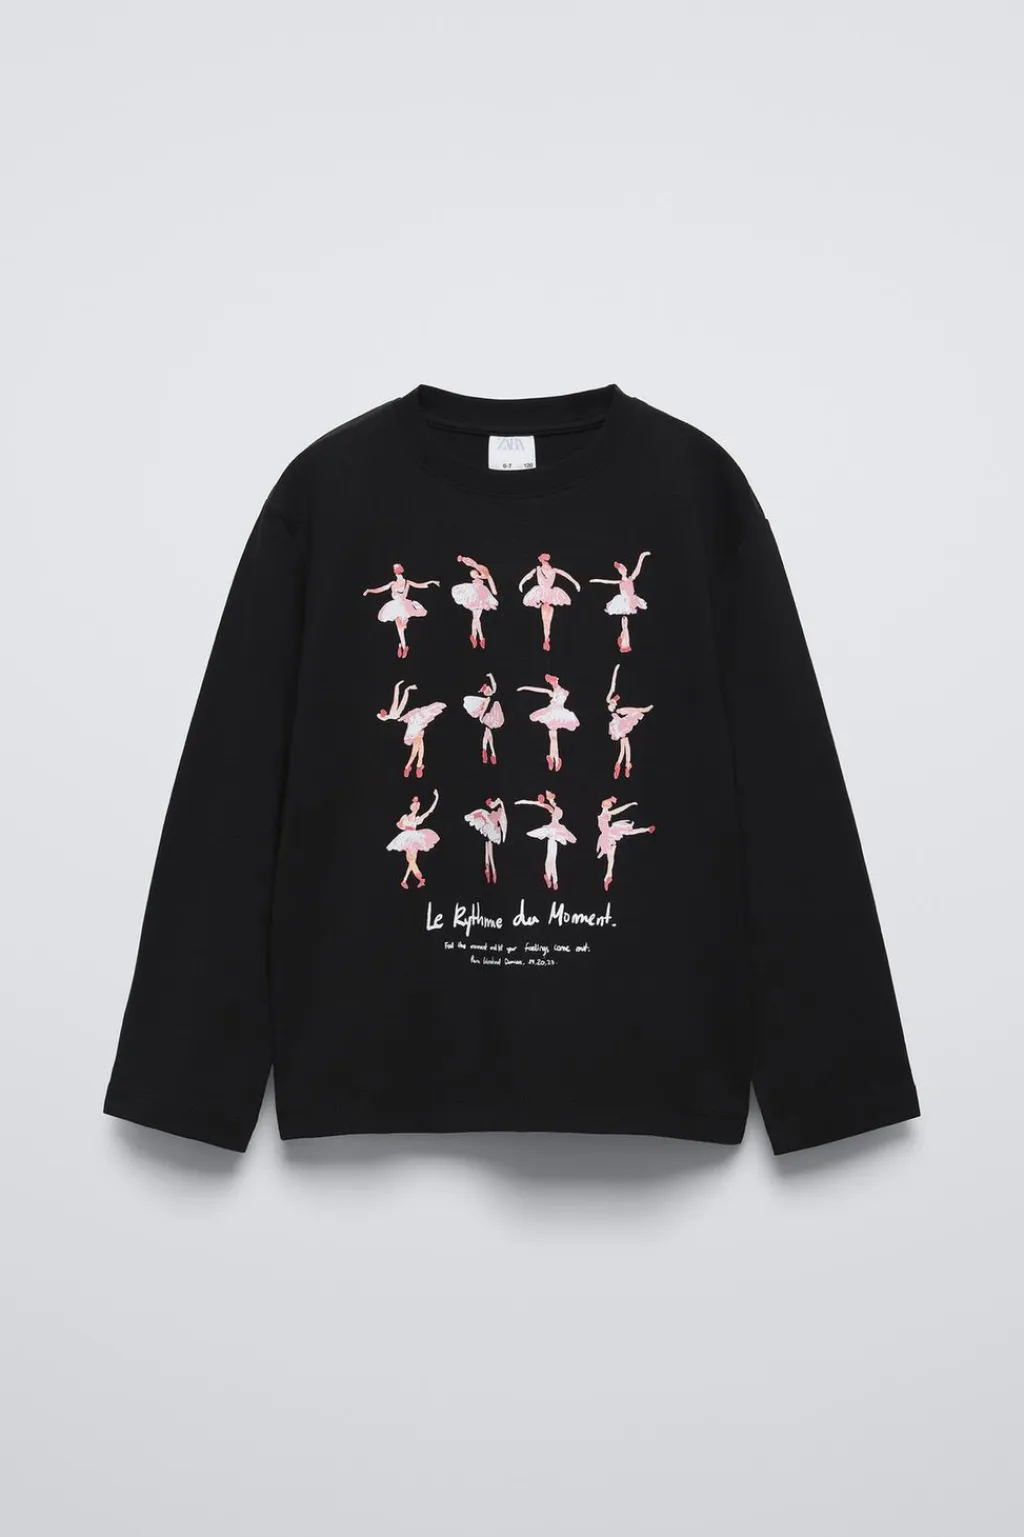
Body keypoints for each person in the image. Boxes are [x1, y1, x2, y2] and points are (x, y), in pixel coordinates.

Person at [363, 563, 440, 657]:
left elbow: (420, 585)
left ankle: (403, 646)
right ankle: (403, 646)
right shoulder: (393, 583)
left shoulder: (407, 582)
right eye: (397, 572)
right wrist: (369, 590)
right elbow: (380, 589)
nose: (398, 574)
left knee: (400, 627)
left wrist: (431, 582)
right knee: (400, 627)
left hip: (403, 606)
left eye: (398, 572)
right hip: (396, 606)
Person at [376, 681, 446, 779]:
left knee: (417, 751)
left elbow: (398, 702)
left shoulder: (409, 718)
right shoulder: (409, 718)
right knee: (419, 751)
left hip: (413, 729)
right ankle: (416, 766)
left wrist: (404, 688)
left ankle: (411, 766)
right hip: (414, 728)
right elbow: (398, 703)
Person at [589, 551, 651, 652]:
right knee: (624, 622)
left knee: (626, 621)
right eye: (621, 570)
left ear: (625, 571)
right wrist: (596, 580)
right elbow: (606, 581)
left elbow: (638, 569)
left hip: (630, 599)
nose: (623, 572)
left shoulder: (630, 578)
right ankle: (624, 639)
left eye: (623, 570)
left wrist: (642, 556)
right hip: (624, 600)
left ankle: (625, 638)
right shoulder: (620, 581)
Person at [517, 674, 581, 771]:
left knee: (553, 738)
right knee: (553, 738)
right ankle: (554, 759)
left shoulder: (560, 691)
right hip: (555, 715)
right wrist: (524, 688)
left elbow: (544, 690)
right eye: (552, 682)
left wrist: (524, 688)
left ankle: (554, 759)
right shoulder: (556, 692)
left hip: (555, 714)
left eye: (553, 682)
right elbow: (539, 690)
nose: (552, 684)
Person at [515, 790, 577, 890]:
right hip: (552, 839)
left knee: (551, 860)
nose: (552, 815)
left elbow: (572, 839)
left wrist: (563, 836)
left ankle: (552, 879)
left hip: (553, 839)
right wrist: (523, 801)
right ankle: (551, 879)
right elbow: (538, 804)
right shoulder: (553, 819)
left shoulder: (558, 823)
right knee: (550, 860)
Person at [518, 552, 581, 650]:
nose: (546, 562)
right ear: (541, 560)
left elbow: (566, 575)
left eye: (546, 560)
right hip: (540, 594)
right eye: (544, 560)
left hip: (550, 595)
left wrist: (575, 583)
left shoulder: (554, 570)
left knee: (547, 619)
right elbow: (528, 576)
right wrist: (521, 583)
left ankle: (546, 638)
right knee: (545, 619)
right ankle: (546, 638)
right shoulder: (538, 569)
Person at [605, 663, 653, 779]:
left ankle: (621, 764)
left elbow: (613, 686)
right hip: (619, 724)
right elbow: (613, 686)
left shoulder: (615, 707)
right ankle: (626, 765)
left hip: (618, 725)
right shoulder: (612, 703)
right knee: (626, 747)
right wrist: (616, 670)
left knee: (624, 748)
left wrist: (616, 671)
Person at [596, 796, 655, 890]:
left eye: (609, 804)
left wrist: (629, 804)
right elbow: (614, 808)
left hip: (609, 836)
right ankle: (647, 829)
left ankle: (607, 878)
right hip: (608, 836)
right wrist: (613, 800)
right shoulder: (604, 813)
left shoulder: (607, 813)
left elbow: (619, 810)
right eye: (607, 804)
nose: (608, 804)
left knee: (611, 860)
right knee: (611, 859)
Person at [386, 790, 440, 889]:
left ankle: (413, 880)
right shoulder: (407, 817)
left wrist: (437, 797)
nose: (415, 808)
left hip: (412, 838)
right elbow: (401, 825)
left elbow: (430, 811)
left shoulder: (416, 819)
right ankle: (410, 880)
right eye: (415, 806)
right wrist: (436, 797)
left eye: (416, 806)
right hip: (410, 838)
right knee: (411, 861)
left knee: (411, 861)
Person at [451, 554, 498, 648]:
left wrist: (463, 559)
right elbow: (472, 563)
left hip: (480, 595)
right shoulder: (477, 577)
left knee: (476, 618)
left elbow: (475, 565)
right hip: (475, 595)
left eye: (474, 573)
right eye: (472, 574)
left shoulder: (480, 573)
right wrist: (463, 559)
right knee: (476, 618)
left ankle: (476, 637)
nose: (473, 575)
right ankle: (480, 637)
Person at [462, 673, 504, 764]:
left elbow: (494, 684)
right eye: (486, 690)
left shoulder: (490, 696)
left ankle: (488, 751)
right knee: (488, 734)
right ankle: (491, 753)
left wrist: (491, 676)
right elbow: (494, 685)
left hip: (491, 717)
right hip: (492, 717)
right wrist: (491, 676)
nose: (487, 690)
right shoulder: (490, 696)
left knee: (487, 734)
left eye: (487, 689)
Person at [464, 797, 508, 884]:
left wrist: (499, 803)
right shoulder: (492, 812)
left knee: (489, 852)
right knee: (488, 851)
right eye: (490, 804)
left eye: (491, 803)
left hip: (493, 831)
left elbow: (503, 821)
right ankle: (490, 871)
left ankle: (491, 871)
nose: (490, 805)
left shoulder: (498, 811)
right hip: (491, 830)